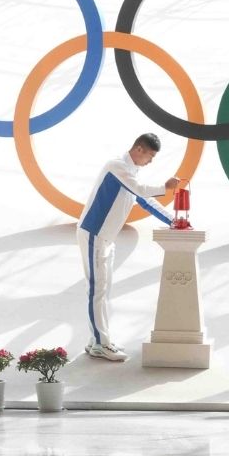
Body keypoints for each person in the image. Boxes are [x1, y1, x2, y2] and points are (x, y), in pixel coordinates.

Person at [77, 133, 180, 362]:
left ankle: (98, 341)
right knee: (97, 290)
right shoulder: (117, 166)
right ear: (139, 149)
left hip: (106, 238)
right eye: (150, 156)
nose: (150, 161)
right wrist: (166, 186)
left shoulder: (131, 174)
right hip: (94, 233)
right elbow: (143, 191)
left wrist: (173, 221)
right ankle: (101, 343)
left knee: (103, 289)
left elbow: (144, 200)